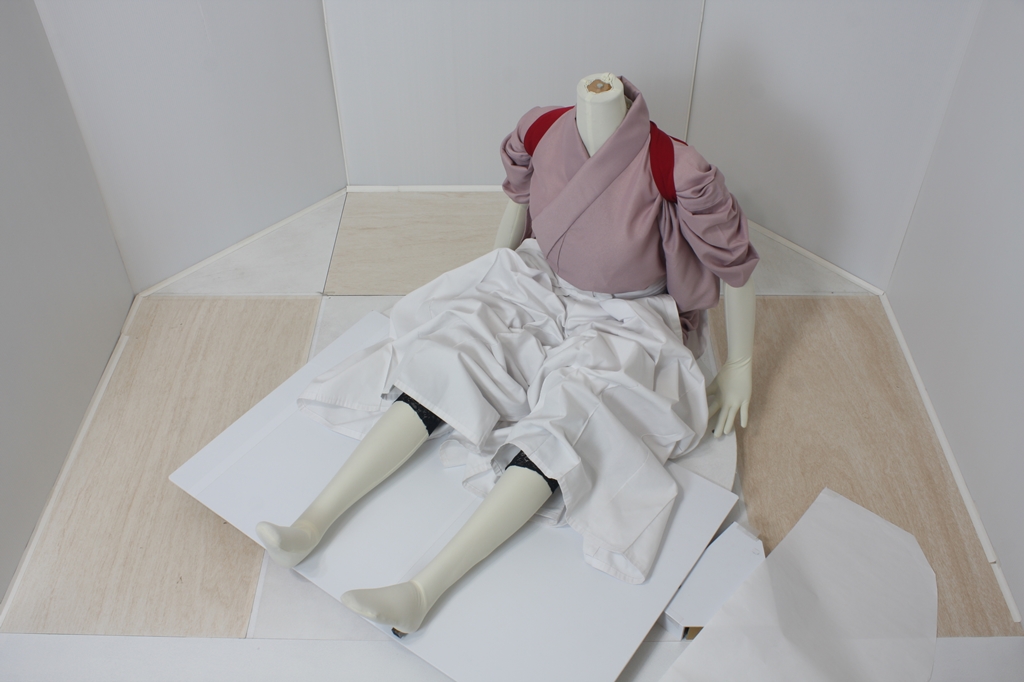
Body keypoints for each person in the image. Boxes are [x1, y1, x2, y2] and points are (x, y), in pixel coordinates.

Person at [256, 73, 758, 635]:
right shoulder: (541, 130)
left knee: (576, 418)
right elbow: (520, 209)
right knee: (457, 356)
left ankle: (422, 590)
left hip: (626, 313)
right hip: (539, 279)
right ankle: (311, 522)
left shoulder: (677, 167)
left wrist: (739, 364)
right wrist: (489, 282)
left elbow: (735, 264)